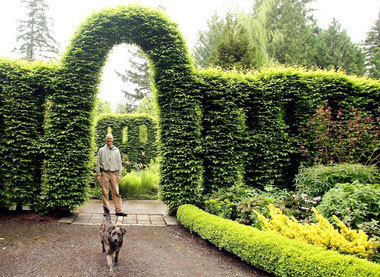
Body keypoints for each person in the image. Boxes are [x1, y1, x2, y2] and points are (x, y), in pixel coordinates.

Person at [96, 133, 127, 216]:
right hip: (104, 173)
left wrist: (119, 174)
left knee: (116, 192)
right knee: (105, 193)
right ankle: (106, 211)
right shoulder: (101, 150)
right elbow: (98, 162)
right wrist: (98, 174)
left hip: (114, 173)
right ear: (106, 139)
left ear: (112, 140)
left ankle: (119, 210)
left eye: (110, 138)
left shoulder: (116, 150)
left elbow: (119, 163)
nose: (109, 140)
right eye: (107, 138)